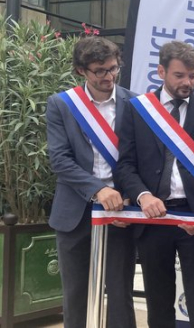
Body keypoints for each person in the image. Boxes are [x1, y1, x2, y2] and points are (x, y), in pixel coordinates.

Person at [114, 41, 194, 328]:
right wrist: (142, 195)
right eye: (180, 76)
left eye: (193, 76)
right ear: (161, 71)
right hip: (153, 219)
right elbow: (125, 164)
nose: (187, 82)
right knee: (158, 301)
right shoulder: (137, 109)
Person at [46, 37, 137, 328]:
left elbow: (140, 160)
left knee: (121, 292)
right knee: (75, 294)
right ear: (80, 70)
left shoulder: (133, 102)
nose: (109, 77)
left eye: (113, 68)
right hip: (75, 211)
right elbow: (60, 160)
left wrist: (128, 197)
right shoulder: (61, 105)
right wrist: (98, 189)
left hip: (120, 210)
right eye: (100, 71)